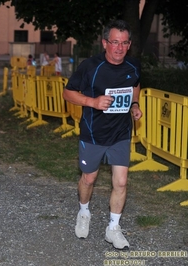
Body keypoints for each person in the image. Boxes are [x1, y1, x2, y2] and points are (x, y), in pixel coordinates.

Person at [63, 20, 142, 250]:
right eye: (115, 42)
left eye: (124, 43)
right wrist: (92, 102)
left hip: (121, 132)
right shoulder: (90, 66)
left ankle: (113, 228)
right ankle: (84, 211)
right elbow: (67, 93)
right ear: (105, 42)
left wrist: (135, 104)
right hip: (93, 133)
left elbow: (136, 84)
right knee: (89, 178)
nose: (119, 48)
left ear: (129, 44)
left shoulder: (134, 66)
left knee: (121, 181)